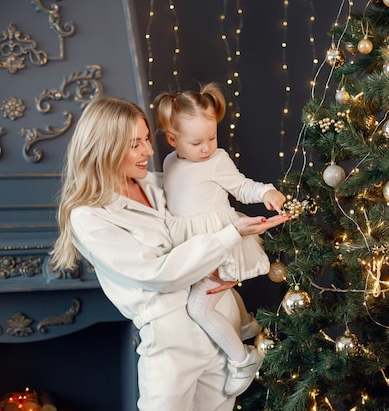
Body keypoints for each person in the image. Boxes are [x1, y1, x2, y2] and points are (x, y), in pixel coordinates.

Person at [49, 96, 289, 411]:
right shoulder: (89, 216)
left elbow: (214, 205)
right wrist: (229, 237)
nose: (149, 151)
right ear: (104, 148)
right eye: (136, 144)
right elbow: (158, 274)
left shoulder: (158, 182)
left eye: (147, 139)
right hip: (173, 342)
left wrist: (232, 260)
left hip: (218, 324)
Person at [152, 83, 286, 397]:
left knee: (200, 307)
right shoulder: (171, 162)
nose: (207, 147)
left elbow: (241, 187)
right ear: (173, 140)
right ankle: (243, 325)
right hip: (190, 245)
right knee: (206, 292)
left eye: (212, 137)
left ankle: (242, 359)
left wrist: (266, 191)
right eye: (197, 142)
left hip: (221, 242)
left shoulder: (217, 160)